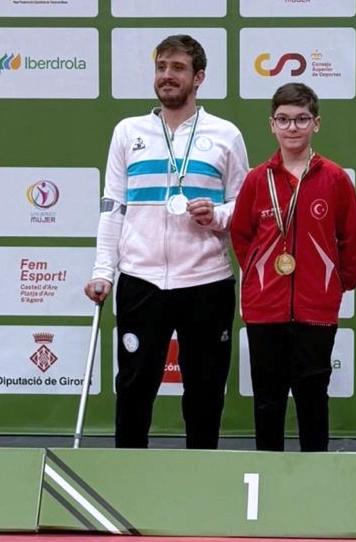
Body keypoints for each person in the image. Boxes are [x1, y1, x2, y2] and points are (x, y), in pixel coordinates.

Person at [84, 34, 250, 449]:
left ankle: (202, 473)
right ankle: (127, 473)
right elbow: (113, 206)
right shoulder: (128, 132)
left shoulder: (226, 134)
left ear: (199, 77)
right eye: (161, 67)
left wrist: (217, 216)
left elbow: (243, 205)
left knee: (205, 391)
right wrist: (103, 271)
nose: (167, 76)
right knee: (134, 387)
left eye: (178, 68)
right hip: (140, 279)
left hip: (207, 281)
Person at [231, 82, 356, 452]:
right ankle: (266, 472)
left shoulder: (334, 178)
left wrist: (335, 284)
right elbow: (242, 236)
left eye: (301, 119)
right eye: (283, 119)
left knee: (313, 400)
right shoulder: (257, 179)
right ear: (271, 125)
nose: (292, 127)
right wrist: (259, 277)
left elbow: (355, 239)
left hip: (316, 308)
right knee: (267, 400)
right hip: (264, 309)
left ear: (316, 124)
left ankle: (315, 474)